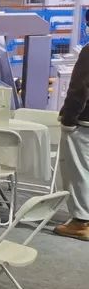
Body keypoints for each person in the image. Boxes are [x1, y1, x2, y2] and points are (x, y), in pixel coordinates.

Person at [56, 43, 89, 240]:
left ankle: (81, 223)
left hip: (84, 124)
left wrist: (69, 120)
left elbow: (80, 88)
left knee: (78, 171)